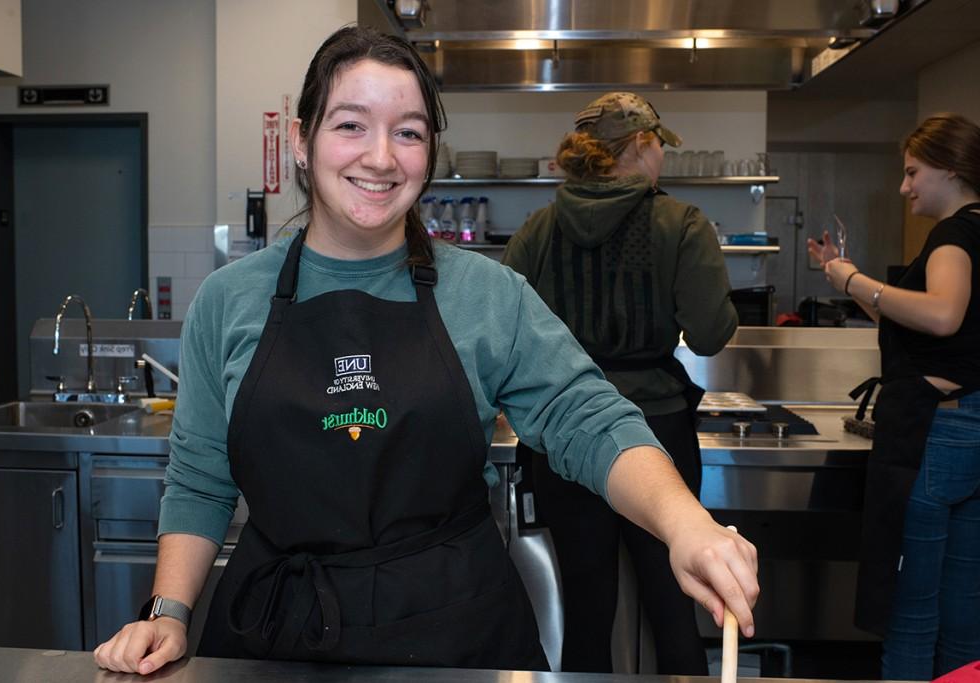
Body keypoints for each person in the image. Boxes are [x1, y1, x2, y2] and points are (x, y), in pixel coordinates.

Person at [94, 26, 758, 675]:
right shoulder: (228, 301)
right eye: (351, 124)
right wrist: (166, 610)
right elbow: (200, 478)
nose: (381, 157)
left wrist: (687, 524)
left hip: (456, 634)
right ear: (301, 141)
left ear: (429, 152)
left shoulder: (487, 293)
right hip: (279, 634)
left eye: (408, 132)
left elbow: (586, 416)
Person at [502, 92, 739, 674]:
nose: (662, 157)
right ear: (638, 145)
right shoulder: (678, 223)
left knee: (585, 610)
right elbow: (710, 333)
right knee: (673, 603)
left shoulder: (538, 228)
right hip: (654, 432)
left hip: (560, 432)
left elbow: (503, 333)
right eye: (659, 145)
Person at [807, 112, 980, 680]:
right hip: (971, 425)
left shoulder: (953, 234)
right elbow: (914, 319)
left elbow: (942, 315)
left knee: (909, 612)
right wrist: (842, 274)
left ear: (950, 169)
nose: (905, 187)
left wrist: (855, 283)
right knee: (964, 619)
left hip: (934, 433)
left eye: (912, 173)